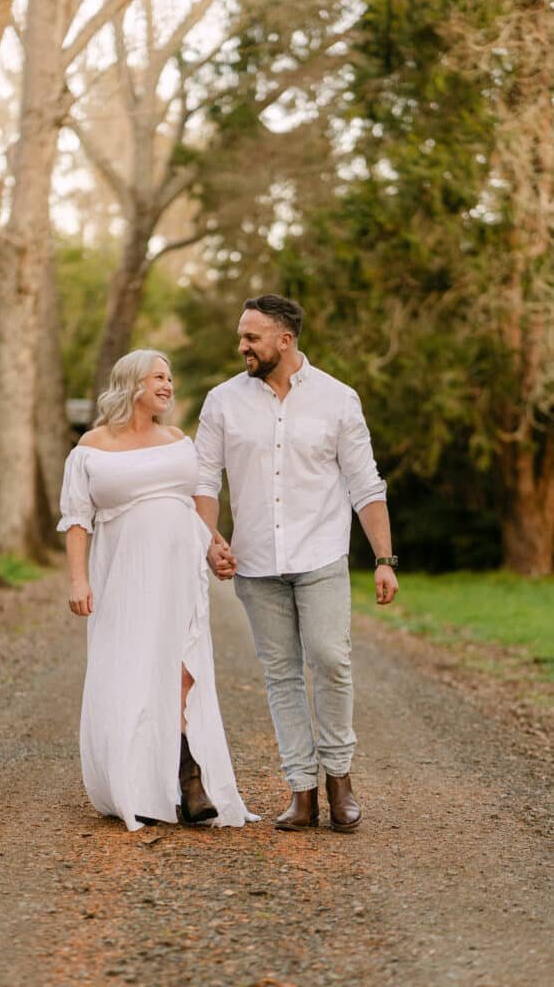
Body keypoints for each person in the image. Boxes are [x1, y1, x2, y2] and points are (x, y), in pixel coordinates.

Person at [194, 295, 399, 833]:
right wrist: (210, 538)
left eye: (252, 337)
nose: (242, 346)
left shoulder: (338, 399)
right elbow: (204, 479)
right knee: (281, 675)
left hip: (321, 554)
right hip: (257, 561)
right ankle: (301, 790)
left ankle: (339, 779)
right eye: (241, 336)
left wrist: (384, 558)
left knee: (331, 660)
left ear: (285, 340)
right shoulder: (222, 402)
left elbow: (366, 484)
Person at [57, 349, 258, 832]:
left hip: (179, 571)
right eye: (159, 377)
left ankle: (189, 779)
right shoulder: (92, 446)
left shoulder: (177, 440)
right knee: (133, 667)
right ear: (132, 385)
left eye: (170, 377)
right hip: (123, 571)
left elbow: (193, 503)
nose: (168, 385)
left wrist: (213, 546)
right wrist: (78, 579)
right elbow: (77, 518)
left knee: (183, 668)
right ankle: (140, 782)